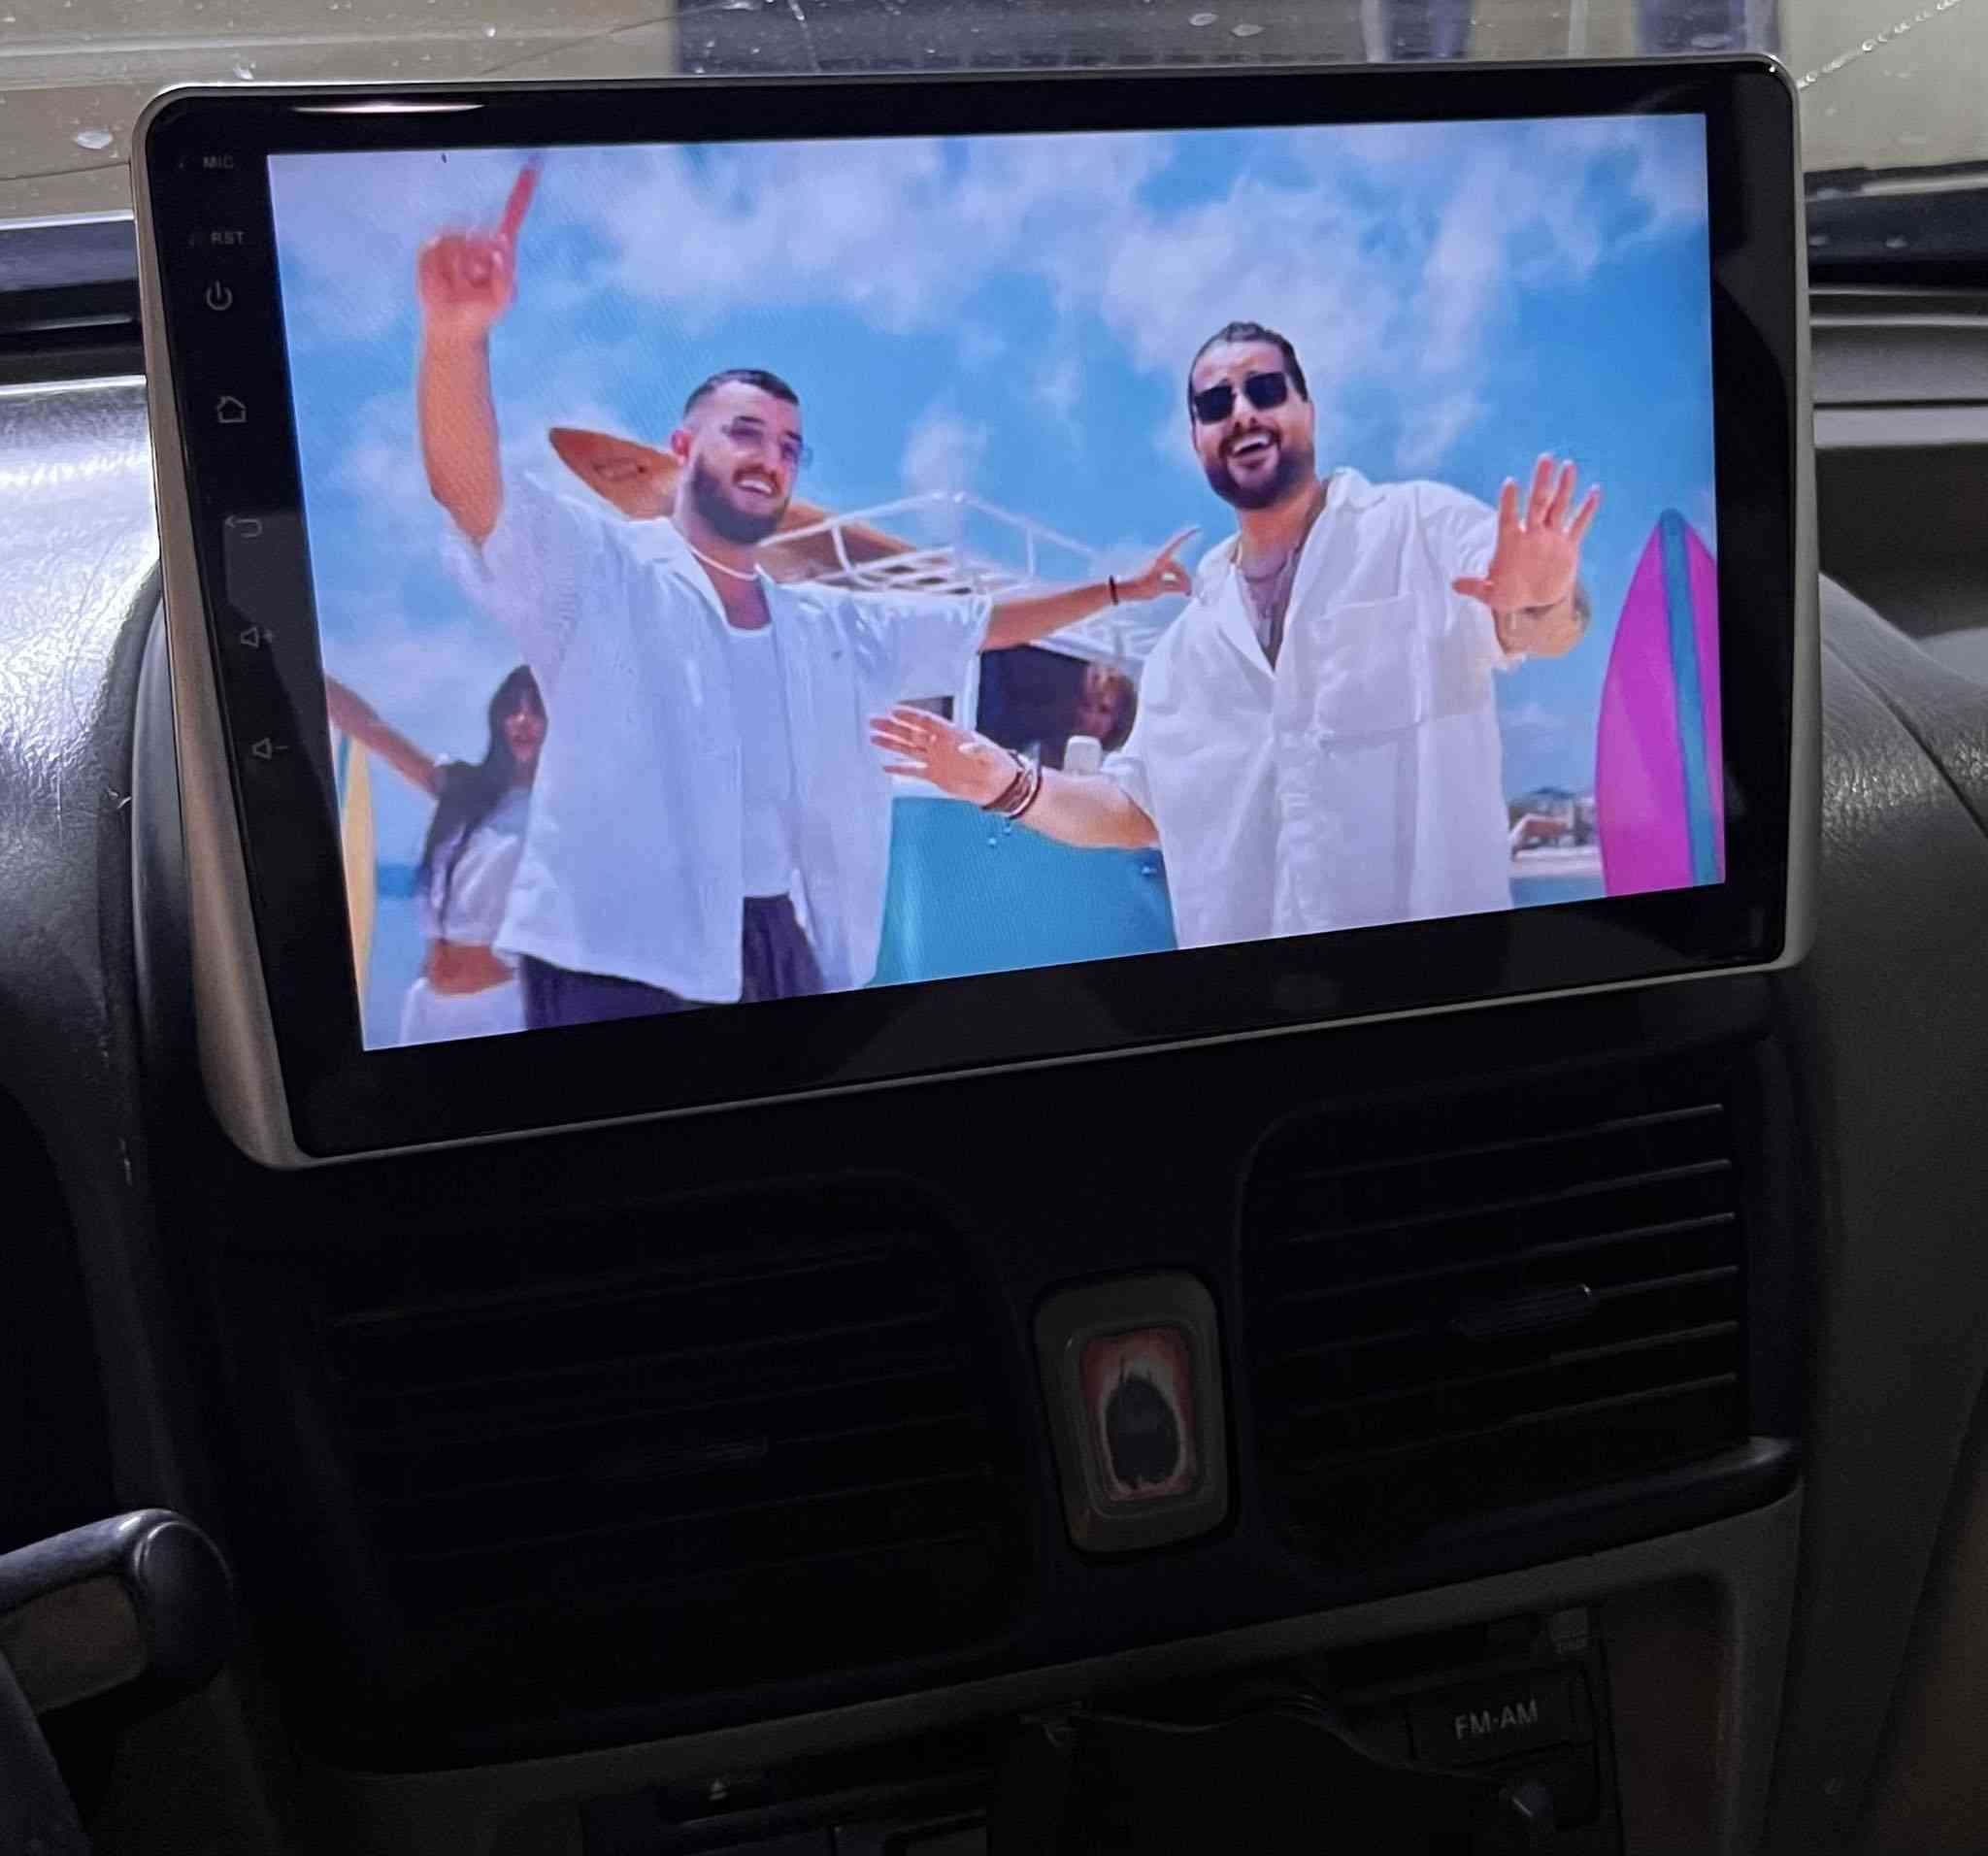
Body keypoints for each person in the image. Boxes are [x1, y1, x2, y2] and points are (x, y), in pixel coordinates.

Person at [414, 164, 1194, 1026]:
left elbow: (983, 624)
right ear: (682, 448)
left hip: (774, 938)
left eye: (790, 448)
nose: (770, 459)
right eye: (745, 434)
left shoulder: (827, 624)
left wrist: (1117, 589)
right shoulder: (605, 570)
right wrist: (456, 338)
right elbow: (472, 492)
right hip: (615, 948)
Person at [873, 320, 1598, 947]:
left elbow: (1546, 628)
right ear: (1197, 440)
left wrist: (1541, 599)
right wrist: (1007, 782)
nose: (1243, 413)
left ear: (1308, 409)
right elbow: (1135, 813)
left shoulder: (1419, 528)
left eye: (1266, 390)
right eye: (1215, 405)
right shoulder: (1184, 653)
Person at [324, 666, 546, 1044]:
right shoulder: (464, 790)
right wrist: (294, 663)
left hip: (502, 1007)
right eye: (513, 707)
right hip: (427, 1004)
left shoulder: (556, 812)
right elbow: (370, 729)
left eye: (536, 709)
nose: (521, 719)